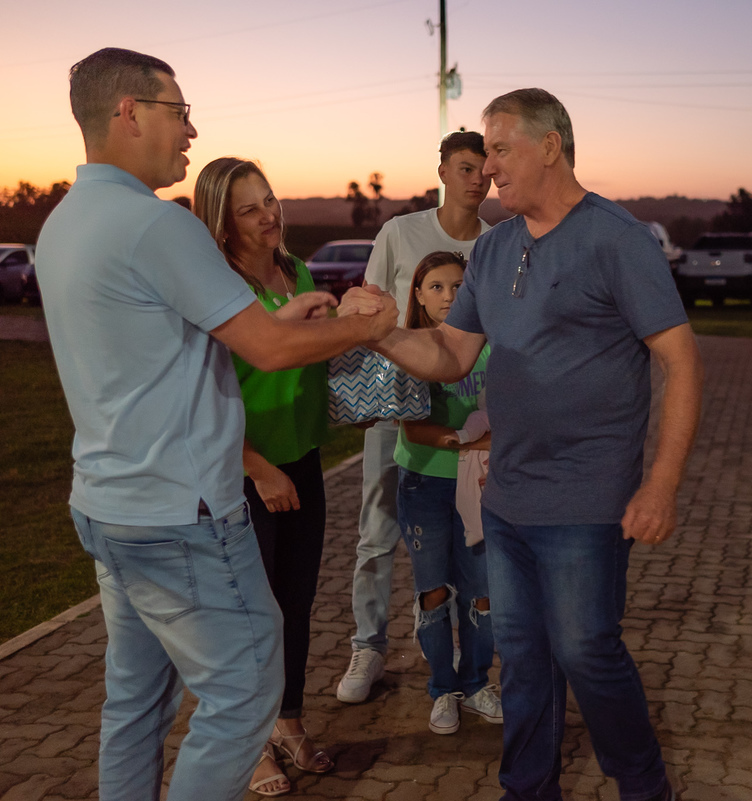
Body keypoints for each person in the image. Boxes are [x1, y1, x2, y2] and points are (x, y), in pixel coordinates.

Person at [35, 48, 397, 801]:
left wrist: (288, 312)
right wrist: (363, 330)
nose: (191, 130)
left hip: (108, 505)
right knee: (244, 691)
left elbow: (172, 338)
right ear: (127, 111)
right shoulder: (156, 226)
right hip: (182, 513)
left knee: (136, 703)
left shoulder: (67, 222)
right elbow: (266, 350)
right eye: (179, 111)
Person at [343, 88, 703, 801]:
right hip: (505, 498)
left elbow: (682, 361)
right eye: (482, 152)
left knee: (586, 649)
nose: (487, 167)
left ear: (550, 146)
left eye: (501, 148)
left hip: (587, 495)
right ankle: (528, 787)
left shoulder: (616, 238)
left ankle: (643, 782)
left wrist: (659, 484)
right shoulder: (497, 246)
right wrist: (379, 332)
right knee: (526, 660)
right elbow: (449, 350)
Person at [193, 156, 335, 796]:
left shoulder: (294, 269)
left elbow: (307, 356)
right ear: (222, 224)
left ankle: (289, 722)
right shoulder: (215, 288)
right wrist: (257, 468)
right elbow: (200, 394)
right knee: (249, 616)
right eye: (250, 209)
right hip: (244, 472)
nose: (269, 214)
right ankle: (248, 746)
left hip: (302, 461)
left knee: (296, 606)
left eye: (270, 199)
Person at [338, 130, 493, 704]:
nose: (478, 177)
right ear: (444, 172)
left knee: (471, 543)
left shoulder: (499, 243)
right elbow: (370, 308)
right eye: (466, 167)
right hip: (395, 410)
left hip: (471, 418)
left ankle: (455, 652)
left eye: (485, 169)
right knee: (377, 533)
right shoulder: (400, 233)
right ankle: (369, 646)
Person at [392, 250, 500, 734]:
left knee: (481, 594)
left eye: (459, 286)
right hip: (426, 482)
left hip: (480, 483)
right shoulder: (411, 347)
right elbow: (414, 430)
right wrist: (463, 440)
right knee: (434, 592)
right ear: (417, 294)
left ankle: (476, 683)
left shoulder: (492, 345)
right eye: (436, 286)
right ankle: (443, 689)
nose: (449, 295)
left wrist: (480, 444)